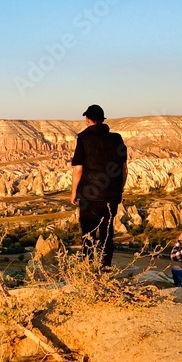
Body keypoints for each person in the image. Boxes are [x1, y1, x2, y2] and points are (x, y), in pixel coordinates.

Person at [70, 105, 128, 268]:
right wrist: (120, 189)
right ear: (102, 120)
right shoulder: (117, 138)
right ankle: (105, 268)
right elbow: (124, 169)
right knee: (107, 235)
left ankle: (88, 269)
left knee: (88, 235)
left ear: (88, 119)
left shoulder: (83, 138)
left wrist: (74, 192)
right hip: (111, 195)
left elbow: (78, 169)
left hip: (90, 196)